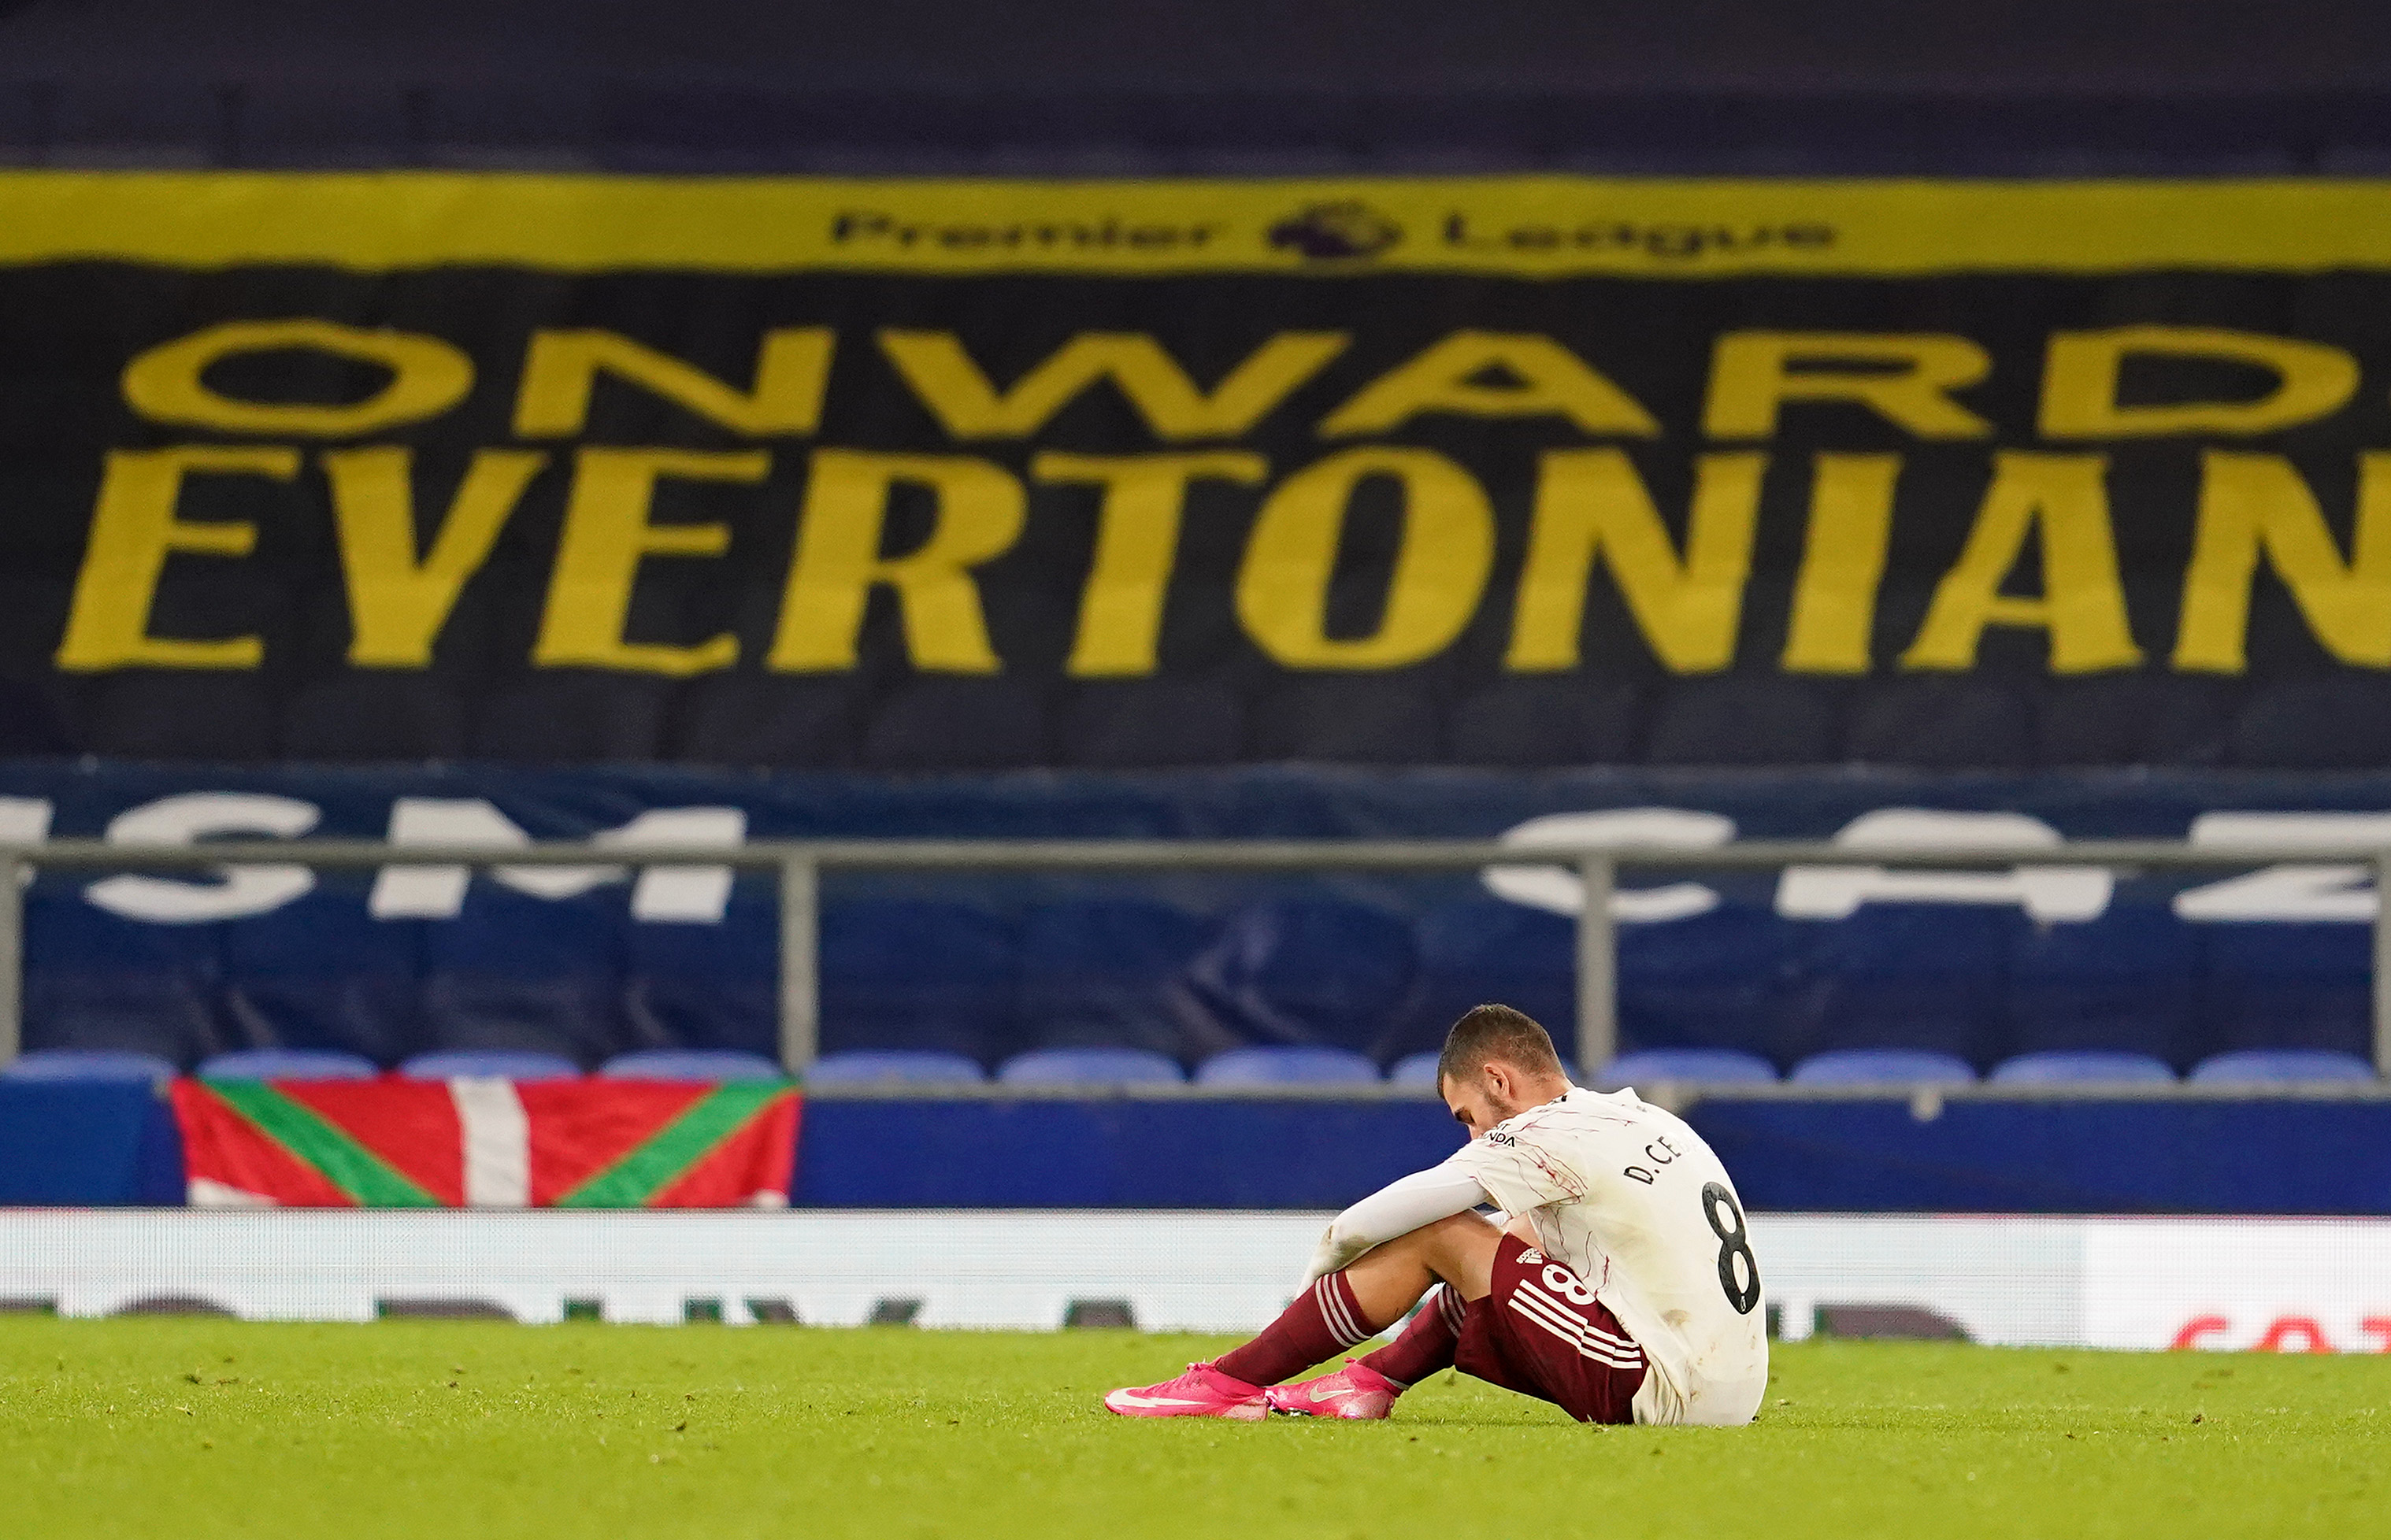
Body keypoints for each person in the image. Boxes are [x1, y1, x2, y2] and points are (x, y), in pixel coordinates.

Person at [1103, 1005, 1767, 1427]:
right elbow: (1511, 1261)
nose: (1474, 1138)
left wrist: (1320, 1270)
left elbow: (1387, 1216)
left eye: (1468, 1117)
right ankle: (1366, 1384)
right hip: (1732, 1393)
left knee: (1441, 1233)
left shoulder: (1542, 1134)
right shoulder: (1638, 1115)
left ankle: (1223, 1384)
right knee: (1500, 1246)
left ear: (1499, 1082)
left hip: (1660, 1388)